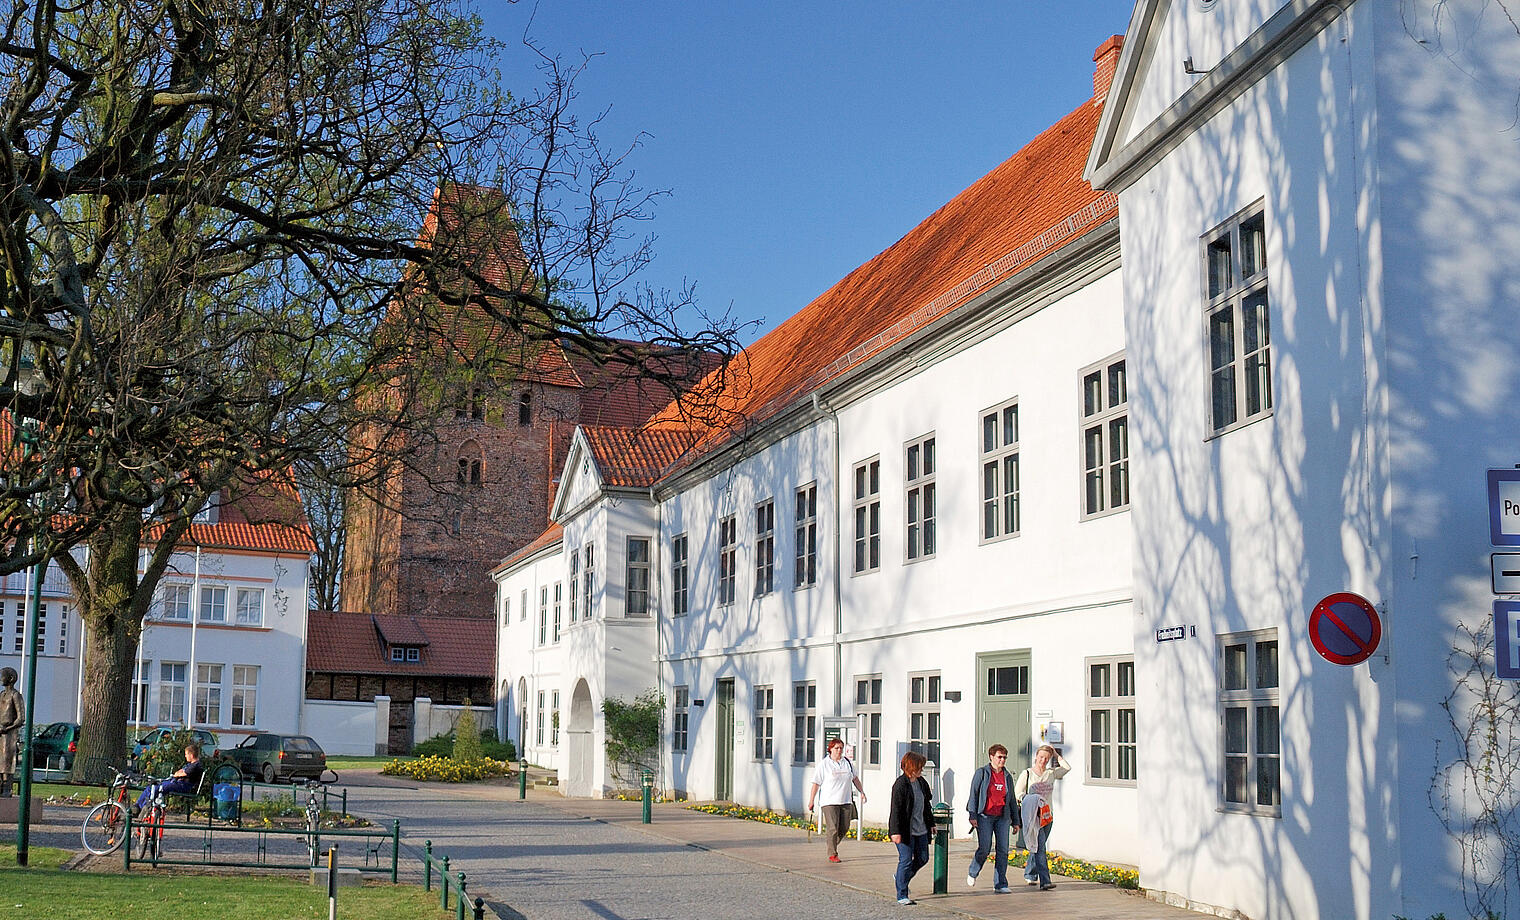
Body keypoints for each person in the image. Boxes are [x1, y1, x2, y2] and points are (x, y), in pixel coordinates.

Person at [965, 743, 1019, 892]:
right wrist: (972, 814)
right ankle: (973, 871)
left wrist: (1016, 821)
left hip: (1002, 817)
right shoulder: (982, 773)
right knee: (985, 848)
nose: (1002, 760)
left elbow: (1012, 799)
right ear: (991, 757)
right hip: (984, 816)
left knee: (1003, 849)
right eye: (999, 757)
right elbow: (973, 794)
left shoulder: (1007, 776)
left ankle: (1001, 883)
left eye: (1004, 757)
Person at [1016, 743, 1070, 890]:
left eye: (1046, 758)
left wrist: (1056, 755)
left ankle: (1030, 874)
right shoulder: (1027, 774)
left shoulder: (1051, 773)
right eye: (1041, 757)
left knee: (1037, 846)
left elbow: (1066, 768)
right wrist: (1031, 800)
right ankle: (1045, 881)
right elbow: (1018, 793)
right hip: (1034, 817)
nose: (1043, 760)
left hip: (1048, 815)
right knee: (1040, 848)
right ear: (1036, 757)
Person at [806, 737, 866, 862]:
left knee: (844, 827)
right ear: (830, 749)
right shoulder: (824, 764)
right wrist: (811, 800)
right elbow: (816, 783)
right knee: (832, 828)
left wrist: (861, 792)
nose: (839, 751)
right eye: (836, 748)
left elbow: (855, 779)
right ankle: (833, 853)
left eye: (841, 748)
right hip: (829, 801)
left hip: (845, 800)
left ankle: (831, 844)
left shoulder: (847, 763)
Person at [888, 749, 936, 906]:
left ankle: (901, 877)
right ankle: (902, 894)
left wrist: (931, 824)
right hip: (904, 830)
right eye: (920, 767)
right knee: (906, 860)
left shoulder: (921, 783)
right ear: (912, 768)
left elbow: (926, 805)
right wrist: (895, 832)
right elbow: (896, 810)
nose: (922, 770)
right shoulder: (900, 785)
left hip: (921, 828)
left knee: (923, 858)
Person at [136, 742, 205, 814]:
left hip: (185, 786)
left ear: (191, 755)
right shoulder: (190, 764)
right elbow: (179, 772)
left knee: (159, 788)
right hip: (178, 783)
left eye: (186, 754)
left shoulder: (196, 765)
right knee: (151, 787)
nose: (185, 756)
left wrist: (178, 774)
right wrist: (178, 774)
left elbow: (182, 774)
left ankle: (144, 808)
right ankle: (138, 806)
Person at [0, 668, 22, 797]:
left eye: (3, 676)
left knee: (7, 760)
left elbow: (20, 718)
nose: (1, 678)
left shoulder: (15, 695)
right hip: (0, 732)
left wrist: (7, 729)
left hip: (9, 734)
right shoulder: (1, 694)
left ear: (11, 678)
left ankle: (7, 787)